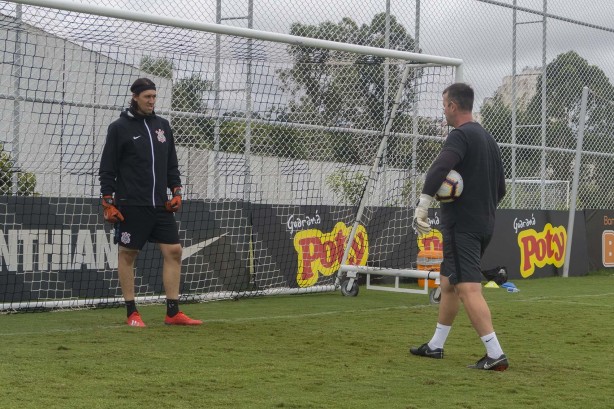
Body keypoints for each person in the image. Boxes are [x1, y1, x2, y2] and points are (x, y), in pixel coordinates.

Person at [410, 83, 507, 371]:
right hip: (483, 223)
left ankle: (495, 353)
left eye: (444, 106)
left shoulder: (460, 136)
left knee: (467, 288)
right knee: (449, 284)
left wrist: (423, 204)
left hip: (462, 226)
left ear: (453, 106)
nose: (443, 111)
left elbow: (440, 168)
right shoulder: (488, 139)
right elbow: (501, 188)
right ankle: (436, 346)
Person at [99, 77, 202, 327]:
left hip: (160, 205)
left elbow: (171, 164)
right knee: (128, 255)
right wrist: (108, 201)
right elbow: (107, 168)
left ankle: (173, 312)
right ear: (135, 97)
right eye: (147, 97)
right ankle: (132, 312)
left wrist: (176, 191)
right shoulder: (119, 128)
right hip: (131, 205)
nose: (152, 101)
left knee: (174, 251)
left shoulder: (163, 126)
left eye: (154, 97)